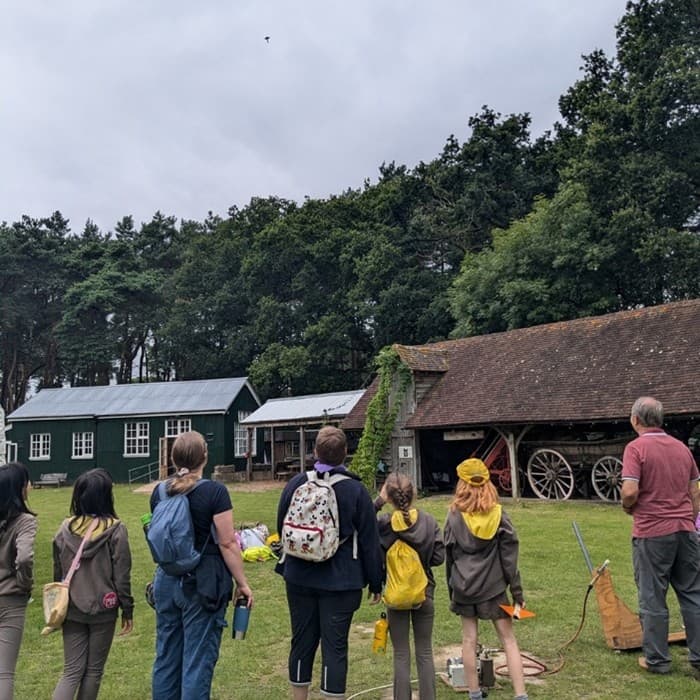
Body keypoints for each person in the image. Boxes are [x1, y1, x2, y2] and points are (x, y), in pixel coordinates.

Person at [276, 426, 384, 700]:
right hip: (341, 581)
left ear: (315, 451)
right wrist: (375, 582)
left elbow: (282, 525)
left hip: (299, 576)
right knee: (335, 648)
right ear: (345, 453)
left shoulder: (296, 484)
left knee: (301, 642)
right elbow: (370, 542)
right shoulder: (356, 491)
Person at [151, 430, 253, 700]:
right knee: (197, 661)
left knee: (166, 657)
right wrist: (242, 583)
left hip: (166, 577)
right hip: (202, 583)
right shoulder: (214, 492)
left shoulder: (159, 492)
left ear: (173, 459)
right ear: (204, 457)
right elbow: (227, 542)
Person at [620, 396, 700, 678]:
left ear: (635, 420)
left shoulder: (635, 448)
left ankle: (657, 660)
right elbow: (695, 492)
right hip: (686, 530)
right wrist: (689, 520)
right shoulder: (681, 448)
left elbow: (630, 491)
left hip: (653, 532)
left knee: (653, 597)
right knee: (692, 594)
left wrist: (627, 506)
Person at [444, 458, 528, 700]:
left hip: (464, 588)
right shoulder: (499, 515)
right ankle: (521, 695)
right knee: (509, 640)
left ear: (462, 484)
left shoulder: (453, 516)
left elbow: (449, 558)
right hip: (494, 589)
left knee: (469, 640)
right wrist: (518, 594)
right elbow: (510, 561)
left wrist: (453, 591)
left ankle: (474, 693)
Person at [51, 468, 133, 700]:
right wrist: (127, 608)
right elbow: (122, 575)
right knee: (93, 671)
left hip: (72, 606)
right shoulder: (116, 529)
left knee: (71, 671)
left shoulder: (64, 528)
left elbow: (58, 569)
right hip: (103, 606)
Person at [374, 471, 445, 700]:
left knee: (401, 654)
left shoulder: (383, 524)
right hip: (424, 592)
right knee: (425, 651)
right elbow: (439, 558)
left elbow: (360, 521)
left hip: (395, 595)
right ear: (413, 493)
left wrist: (378, 501)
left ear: (390, 497)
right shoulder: (428, 521)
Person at [0, 462, 37, 700]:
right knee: (4, 672)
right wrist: (24, 584)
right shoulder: (24, 521)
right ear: (20, 488)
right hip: (11, 599)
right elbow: (24, 558)